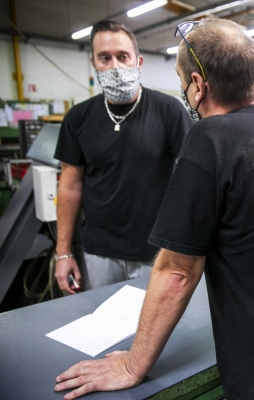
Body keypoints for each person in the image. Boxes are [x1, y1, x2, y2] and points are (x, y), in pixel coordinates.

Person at [54, 18, 254, 399]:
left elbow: (176, 271)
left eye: (181, 79)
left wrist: (130, 364)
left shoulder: (211, 138)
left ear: (198, 85)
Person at [54, 20, 192, 293]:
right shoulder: (78, 118)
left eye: (122, 56)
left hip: (156, 252)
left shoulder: (169, 111)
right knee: (102, 331)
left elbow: (193, 177)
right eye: (105, 58)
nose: (115, 66)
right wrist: (63, 253)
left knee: (156, 332)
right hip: (100, 254)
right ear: (94, 62)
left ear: (138, 61)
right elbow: (69, 186)